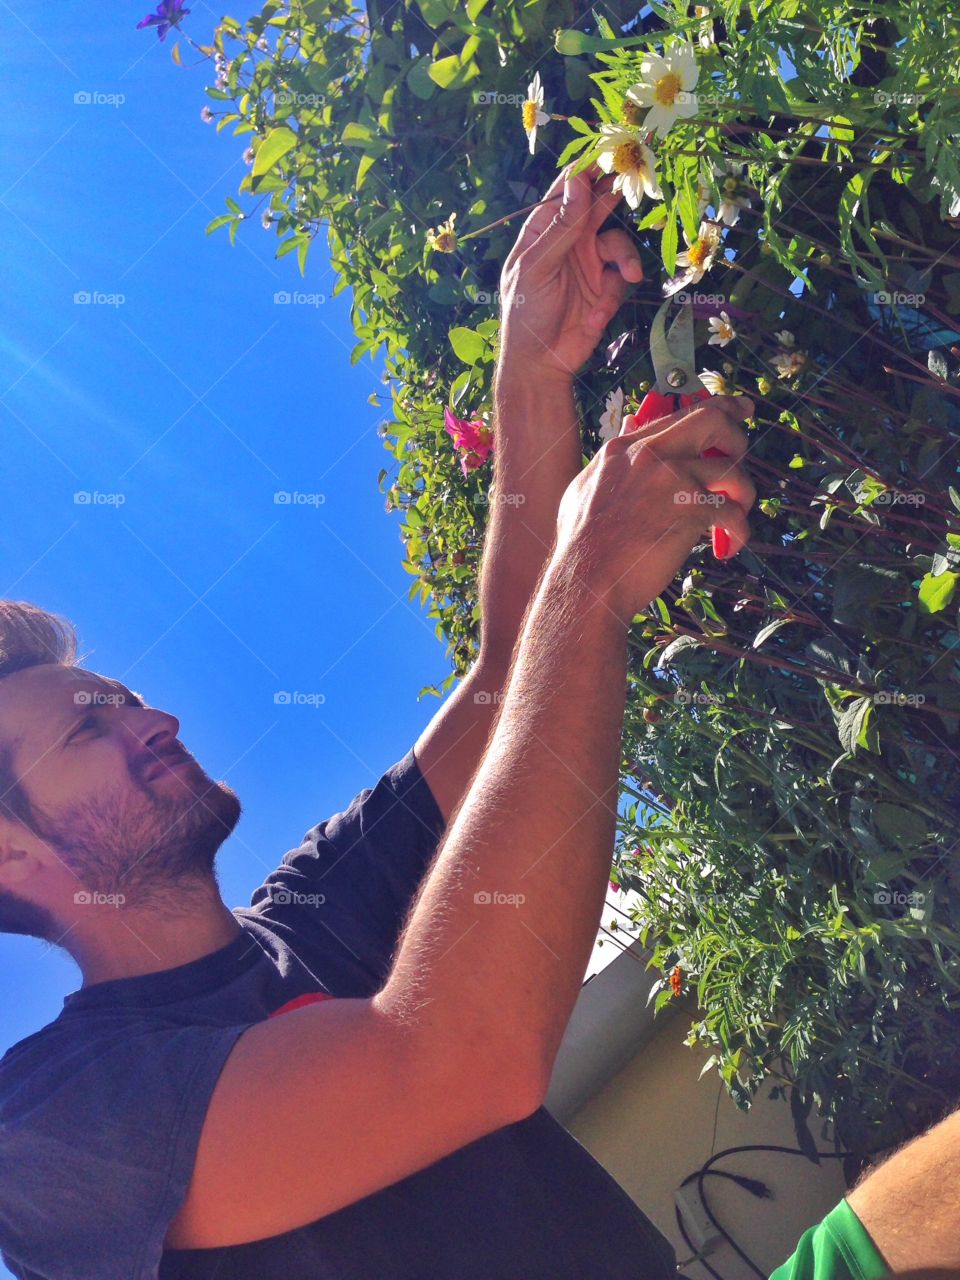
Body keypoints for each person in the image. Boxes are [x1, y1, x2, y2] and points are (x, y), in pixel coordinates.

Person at [0, 162, 952, 1280]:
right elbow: (453, 1061)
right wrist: (590, 583)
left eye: (120, 696)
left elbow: (507, 683)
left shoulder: (311, 909)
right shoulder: (51, 1126)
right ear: (15, 850)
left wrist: (531, 361)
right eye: (87, 730)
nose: (150, 716)